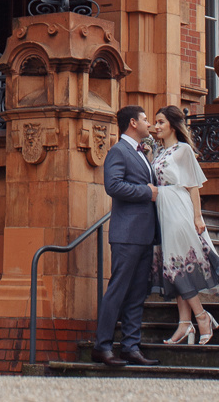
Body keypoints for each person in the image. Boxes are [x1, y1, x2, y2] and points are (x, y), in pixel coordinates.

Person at [148, 105, 219, 343]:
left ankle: (201, 316)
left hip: (178, 208)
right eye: (155, 122)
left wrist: (198, 217)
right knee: (173, 265)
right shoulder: (159, 151)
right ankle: (185, 324)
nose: (157, 126)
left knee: (177, 265)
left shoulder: (183, 150)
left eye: (161, 122)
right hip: (162, 209)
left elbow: (194, 186)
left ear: (173, 125)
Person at [91, 104, 160, 367]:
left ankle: (131, 347)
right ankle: (102, 346)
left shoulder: (142, 152)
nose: (149, 123)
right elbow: (113, 185)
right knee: (117, 291)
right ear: (133, 123)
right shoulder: (118, 151)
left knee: (137, 294)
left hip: (144, 234)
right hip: (126, 234)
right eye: (145, 119)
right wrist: (147, 192)